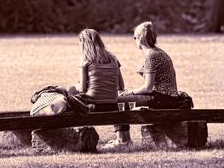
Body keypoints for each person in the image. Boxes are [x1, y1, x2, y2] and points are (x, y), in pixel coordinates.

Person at [102, 21, 187, 149]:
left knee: (117, 101)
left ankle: (123, 141)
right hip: (166, 98)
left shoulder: (152, 56)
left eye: (134, 37)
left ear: (140, 39)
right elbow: (156, 84)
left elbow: (147, 87)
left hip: (161, 99)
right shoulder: (159, 52)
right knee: (121, 98)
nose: (134, 40)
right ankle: (123, 140)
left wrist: (130, 92)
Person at [67, 28, 125, 113]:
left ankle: (77, 123)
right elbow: (121, 86)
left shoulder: (85, 59)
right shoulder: (113, 58)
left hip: (94, 103)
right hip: (112, 102)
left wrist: (76, 85)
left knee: (71, 90)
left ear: (84, 43)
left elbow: (82, 89)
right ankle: (121, 126)